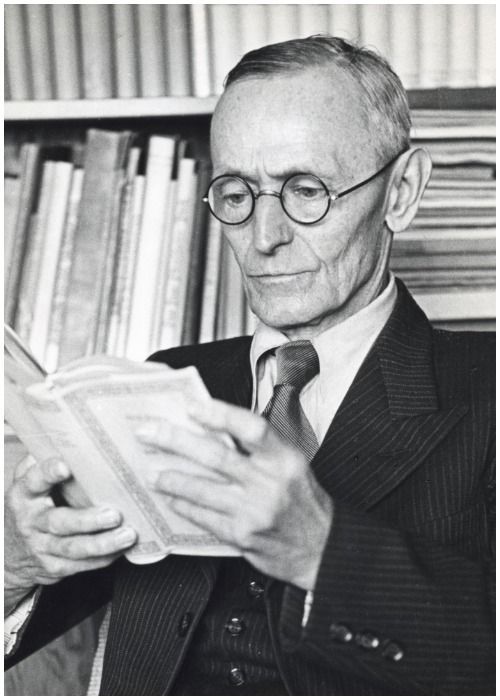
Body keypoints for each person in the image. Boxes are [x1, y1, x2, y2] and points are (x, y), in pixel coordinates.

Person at [5, 36, 494, 695]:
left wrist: (323, 551)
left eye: (307, 190)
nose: (264, 238)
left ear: (401, 192)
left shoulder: (486, 391)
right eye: (236, 194)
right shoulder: (166, 379)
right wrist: (20, 561)